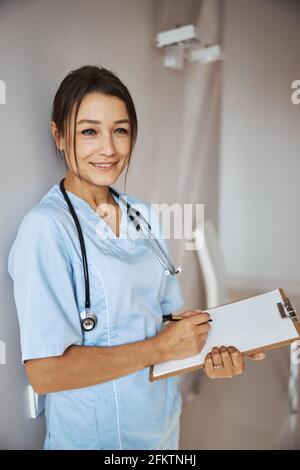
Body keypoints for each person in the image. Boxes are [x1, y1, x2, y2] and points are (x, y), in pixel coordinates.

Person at [7, 65, 265, 450]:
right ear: (59, 136)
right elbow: (45, 373)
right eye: (89, 131)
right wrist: (161, 348)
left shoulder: (141, 214)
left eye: (120, 130)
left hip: (160, 429)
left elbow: (163, 317)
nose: (109, 148)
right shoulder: (45, 229)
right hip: (97, 441)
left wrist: (222, 339)